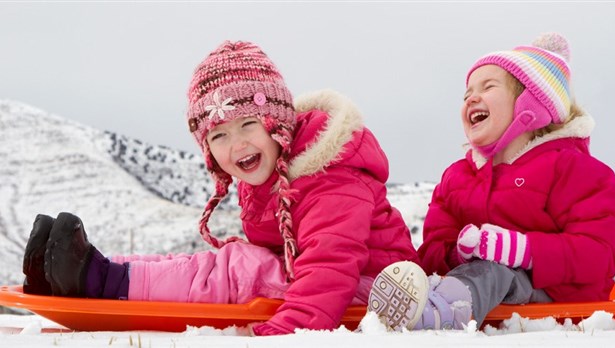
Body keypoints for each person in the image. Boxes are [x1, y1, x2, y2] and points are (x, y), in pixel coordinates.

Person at [21, 40, 419, 336]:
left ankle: (102, 281)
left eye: (249, 125)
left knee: (240, 269)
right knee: (219, 262)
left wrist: (283, 334)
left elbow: (330, 268)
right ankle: (90, 267)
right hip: (325, 284)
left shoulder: (332, 177)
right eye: (220, 136)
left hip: (370, 290)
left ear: (277, 125)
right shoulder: (268, 175)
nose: (238, 144)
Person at [366, 32, 615, 331]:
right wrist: (457, 251)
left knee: (494, 271)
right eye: (466, 94)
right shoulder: (457, 178)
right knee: (464, 272)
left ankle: (439, 313)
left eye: (488, 87)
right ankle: (403, 301)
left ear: (532, 103)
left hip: (555, 295)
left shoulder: (574, 169)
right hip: (476, 285)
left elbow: (601, 251)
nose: (472, 97)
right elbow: (433, 248)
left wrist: (521, 250)